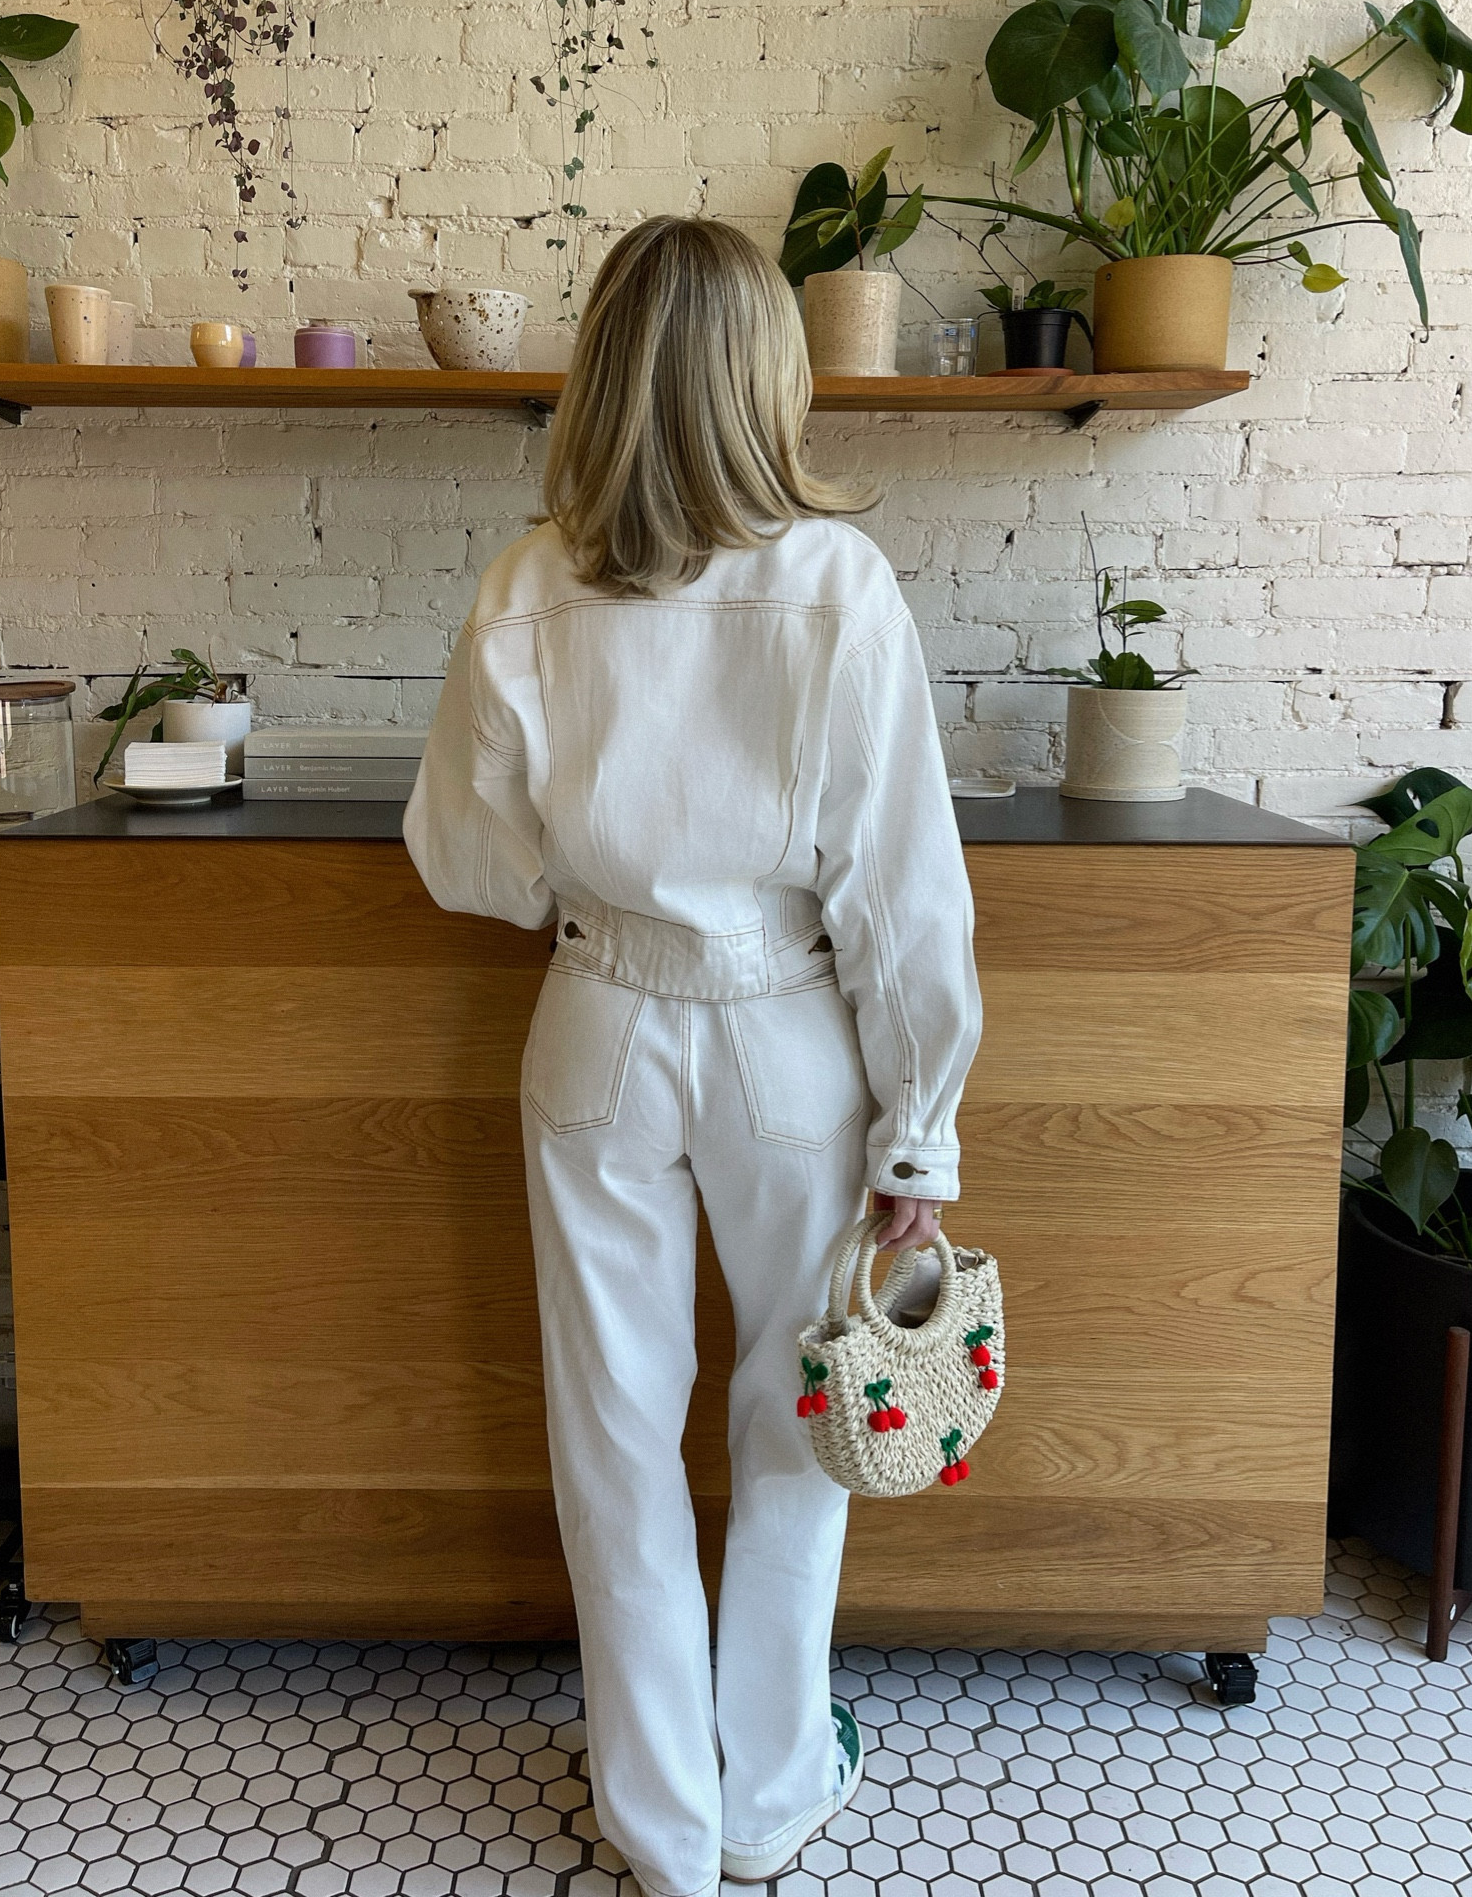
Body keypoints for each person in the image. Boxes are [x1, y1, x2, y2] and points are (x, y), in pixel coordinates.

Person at [404, 216, 981, 1897]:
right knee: (798, 1421)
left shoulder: (525, 585)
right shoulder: (838, 585)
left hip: (598, 1015)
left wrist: (574, 885)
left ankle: (654, 1824)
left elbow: (462, 859)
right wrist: (918, 1142)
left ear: (600, 372)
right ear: (765, 379)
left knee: (613, 1432)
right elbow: (904, 898)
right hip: (792, 1028)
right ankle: (770, 1792)